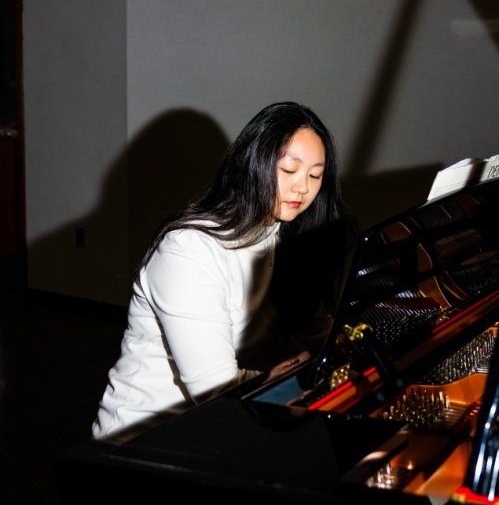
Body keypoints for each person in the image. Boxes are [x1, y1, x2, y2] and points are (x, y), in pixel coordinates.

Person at [91, 101, 354, 441]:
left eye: (315, 175)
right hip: (143, 438)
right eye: (289, 170)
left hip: (222, 427)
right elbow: (214, 388)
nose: (303, 188)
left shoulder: (286, 235)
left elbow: (316, 331)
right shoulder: (189, 250)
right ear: (254, 165)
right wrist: (298, 376)